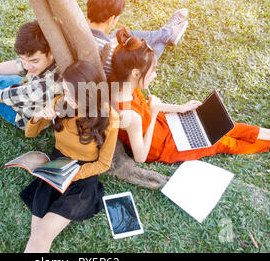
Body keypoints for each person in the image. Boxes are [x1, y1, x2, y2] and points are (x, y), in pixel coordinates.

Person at [110, 27, 270, 164]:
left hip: (162, 123)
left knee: (222, 124)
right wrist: (153, 115)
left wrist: (180, 108)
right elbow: (141, 157)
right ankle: (266, 145)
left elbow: (144, 106)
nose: (155, 76)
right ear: (136, 73)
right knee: (220, 141)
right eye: (152, 72)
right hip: (163, 146)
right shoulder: (129, 116)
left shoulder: (121, 85)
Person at [21, 60, 119, 253]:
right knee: (38, 235)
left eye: (73, 95)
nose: (67, 97)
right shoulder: (60, 103)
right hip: (56, 167)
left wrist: (74, 174)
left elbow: (104, 163)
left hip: (82, 177)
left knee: (41, 235)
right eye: (65, 90)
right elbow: (29, 133)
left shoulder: (109, 118)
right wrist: (39, 116)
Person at [86, 0, 189, 79]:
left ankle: (166, 33)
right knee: (147, 56)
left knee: (119, 33)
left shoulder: (79, 27)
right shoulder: (109, 52)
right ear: (111, 19)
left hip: (95, 51)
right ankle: (167, 33)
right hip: (129, 73)